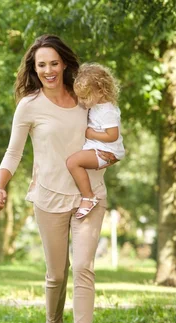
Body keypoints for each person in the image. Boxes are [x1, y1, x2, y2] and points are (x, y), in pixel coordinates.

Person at [0, 34, 118, 323]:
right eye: (41, 64)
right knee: (56, 274)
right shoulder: (30, 105)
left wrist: (113, 151)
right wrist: (0, 186)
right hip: (49, 197)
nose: (48, 70)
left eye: (54, 63)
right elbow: (13, 151)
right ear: (34, 68)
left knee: (85, 267)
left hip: (89, 196)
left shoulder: (84, 98)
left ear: (64, 64)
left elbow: (109, 126)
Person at [66, 63, 125, 219]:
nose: (81, 101)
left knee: (73, 163)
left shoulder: (107, 111)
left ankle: (88, 197)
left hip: (106, 149)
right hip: (98, 146)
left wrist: (91, 134)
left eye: (85, 97)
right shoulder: (96, 104)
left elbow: (113, 135)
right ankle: (88, 196)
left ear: (100, 91)